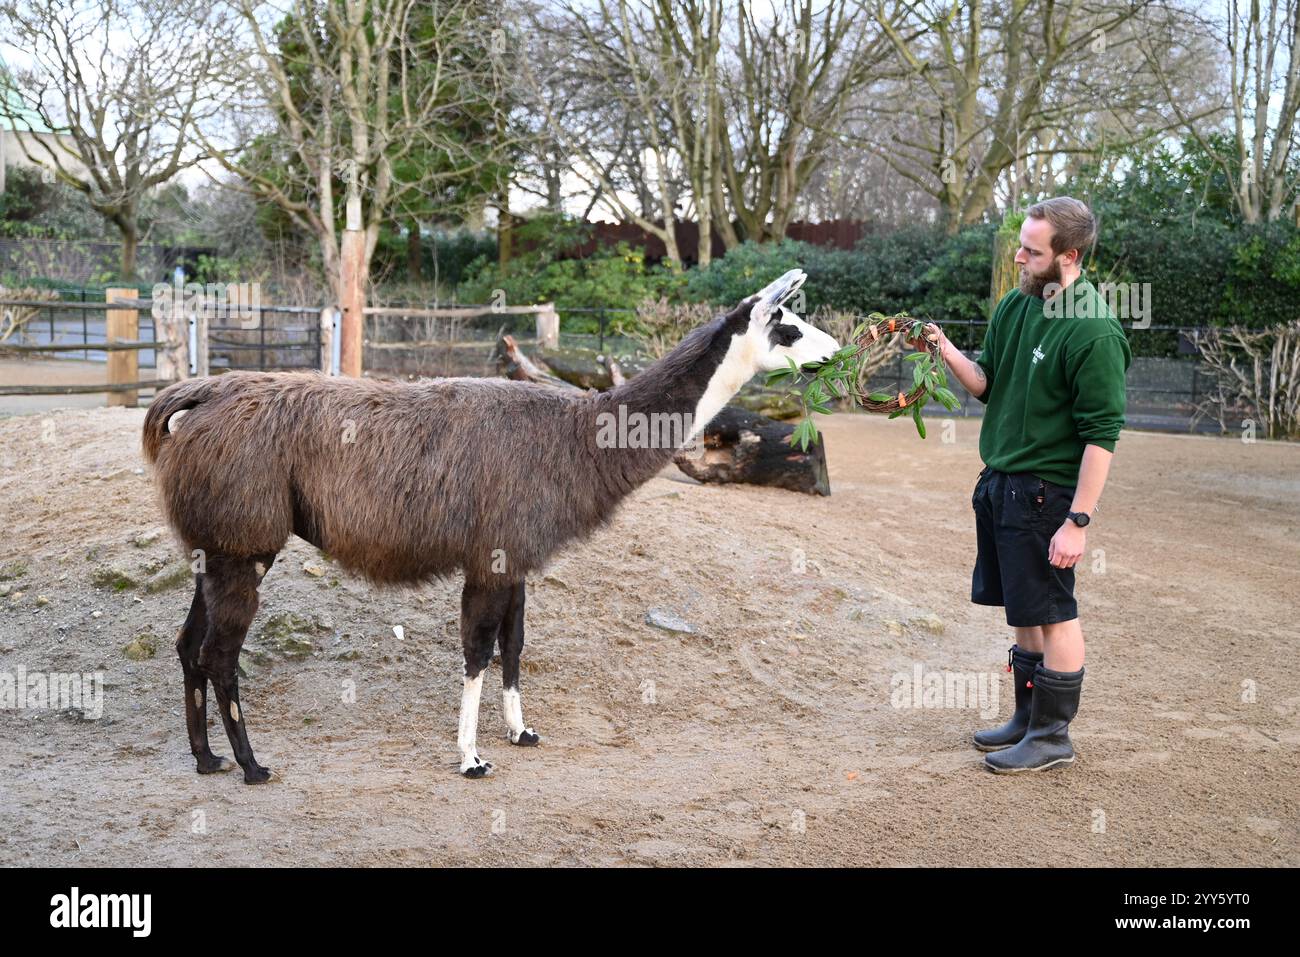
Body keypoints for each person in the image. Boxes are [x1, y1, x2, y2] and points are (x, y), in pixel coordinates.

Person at [909, 197, 1131, 773]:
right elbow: (986, 382)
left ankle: (1053, 736)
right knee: (1023, 610)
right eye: (1021, 245)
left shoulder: (1093, 329)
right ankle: (1026, 719)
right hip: (1001, 483)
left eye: (1032, 252)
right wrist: (941, 347)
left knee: (1055, 610)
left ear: (1069, 256)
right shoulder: (1015, 305)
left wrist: (1078, 520)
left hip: (1046, 494)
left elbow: (1102, 436)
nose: (1018, 257)